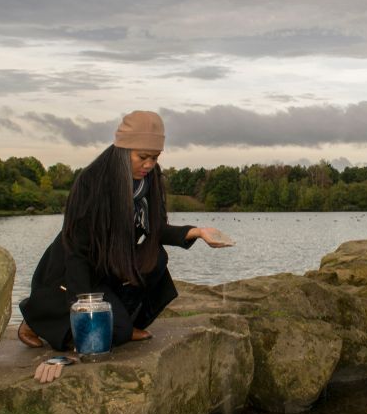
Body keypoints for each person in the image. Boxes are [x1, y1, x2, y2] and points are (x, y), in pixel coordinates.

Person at [17, 110, 230, 350]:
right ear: (123, 150)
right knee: (108, 334)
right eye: (143, 157)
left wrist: (198, 232)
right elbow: (76, 252)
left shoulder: (149, 179)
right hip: (74, 269)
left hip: (110, 267)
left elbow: (155, 229)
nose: (149, 165)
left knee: (156, 258)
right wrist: (83, 310)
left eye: (155, 157)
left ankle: (124, 324)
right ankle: (36, 320)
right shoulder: (92, 182)